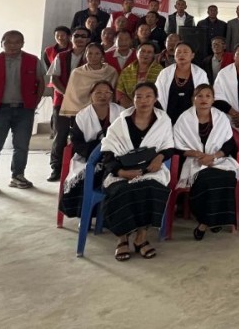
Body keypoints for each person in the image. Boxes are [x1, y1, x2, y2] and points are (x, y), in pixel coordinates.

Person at [99, 82, 173, 261]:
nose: (144, 100)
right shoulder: (122, 121)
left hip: (149, 170)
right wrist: (122, 173)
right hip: (121, 171)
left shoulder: (163, 120)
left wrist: (159, 158)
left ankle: (141, 237)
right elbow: (108, 153)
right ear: (133, 99)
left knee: (153, 189)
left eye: (148, 96)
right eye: (139, 96)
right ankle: (122, 239)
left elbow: (168, 146)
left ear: (155, 99)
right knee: (121, 190)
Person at [0, 31, 46, 196]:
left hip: (24, 110)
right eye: (8, 42)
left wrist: (34, 103)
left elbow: (41, 83)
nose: (13, 46)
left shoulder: (33, 61)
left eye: (17, 42)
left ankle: (18, 176)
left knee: (21, 146)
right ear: (2, 43)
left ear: (23, 43)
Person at [173, 84, 239, 240]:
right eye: (199, 96)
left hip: (219, 159)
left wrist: (213, 157)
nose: (203, 99)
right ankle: (212, 219)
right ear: (193, 99)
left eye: (208, 96)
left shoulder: (221, 117)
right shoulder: (184, 119)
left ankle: (204, 223)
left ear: (213, 100)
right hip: (194, 161)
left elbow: (229, 143)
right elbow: (176, 146)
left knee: (227, 177)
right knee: (206, 178)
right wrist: (197, 154)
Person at [58, 81, 123, 219]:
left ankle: (109, 216)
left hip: (117, 155)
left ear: (112, 95)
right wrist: (96, 154)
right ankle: (86, 214)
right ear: (91, 95)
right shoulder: (82, 115)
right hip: (89, 156)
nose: (102, 96)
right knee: (89, 175)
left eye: (107, 92)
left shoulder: (121, 112)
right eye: (98, 92)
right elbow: (76, 142)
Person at [46, 27, 90, 181]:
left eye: (83, 36)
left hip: (85, 103)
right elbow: (54, 79)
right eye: (76, 36)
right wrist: (68, 94)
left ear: (88, 40)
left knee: (82, 135)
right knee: (61, 134)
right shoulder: (61, 56)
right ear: (71, 38)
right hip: (62, 101)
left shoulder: (93, 56)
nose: (80, 39)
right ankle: (56, 168)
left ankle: (77, 168)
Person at [58, 43, 120, 119]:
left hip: (106, 112)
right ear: (85, 55)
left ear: (102, 55)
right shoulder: (77, 73)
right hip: (81, 113)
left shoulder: (111, 71)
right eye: (90, 53)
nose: (93, 57)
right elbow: (73, 96)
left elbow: (114, 93)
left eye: (97, 53)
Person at [154, 42, 210, 123]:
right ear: (174, 55)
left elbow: (205, 96)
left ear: (192, 55)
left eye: (185, 52)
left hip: (191, 119)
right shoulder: (165, 73)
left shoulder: (200, 73)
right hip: (168, 117)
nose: (181, 55)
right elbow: (158, 96)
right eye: (178, 52)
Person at [116, 42, 163, 108]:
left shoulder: (160, 71)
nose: (145, 54)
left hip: (154, 107)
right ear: (136, 53)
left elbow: (163, 93)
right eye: (143, 51)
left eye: (149, 52)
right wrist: (132, 106)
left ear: (153, 55)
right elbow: (120, 92)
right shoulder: (127, 70)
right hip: (130, 108)